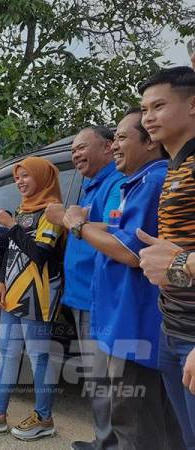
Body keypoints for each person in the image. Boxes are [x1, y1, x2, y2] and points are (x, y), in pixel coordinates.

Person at [63, 108, 184, 450]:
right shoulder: (140, 182)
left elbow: (129, 249)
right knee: (154, 420)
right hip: (127, 319)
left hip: (134, 323)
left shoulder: (151, 181)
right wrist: (84, 223)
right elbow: (122, 230)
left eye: (121, 138)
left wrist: (77, 224)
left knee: (134, 420)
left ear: (149, 142)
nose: (116, 145)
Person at [0, 156, 64, 441]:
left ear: (42, 178)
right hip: (14, 294)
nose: (20, 181)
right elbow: (11, 251)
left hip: (39, 296)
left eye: (26, 176)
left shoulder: (53, 212)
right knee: (7, 354)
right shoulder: (24, 209)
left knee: (39, 358)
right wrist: (2, 282)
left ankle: (45, 418)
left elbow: (40, 254)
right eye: (18, 177)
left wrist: (12, 226)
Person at [44, 126, 124, 450]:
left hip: (98, 297)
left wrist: (66, 217)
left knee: (104, 379)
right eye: (73, 149)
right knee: (96, 378)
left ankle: (111, 443)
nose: (76, 154)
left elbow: (118, 232)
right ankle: (104, 439)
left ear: (108, 147)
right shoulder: (91, 186)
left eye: (82, 147)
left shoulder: (116, 183)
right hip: (81, 295)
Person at [137, 66, 195, 449]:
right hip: (171, 325)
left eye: (159, 106)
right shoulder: (175, 168)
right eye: (144, 109)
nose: (148, 117)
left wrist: (175, 264)